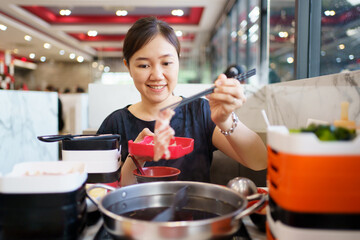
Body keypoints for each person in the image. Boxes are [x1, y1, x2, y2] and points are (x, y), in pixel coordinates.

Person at [97, 16, 267, 186]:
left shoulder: (200, 112)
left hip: (197, 210)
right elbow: (103, 191)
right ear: (128, 67)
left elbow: (259, 161)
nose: (156, 75)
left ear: (178, 62)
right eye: (144, 65)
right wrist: (136, 157)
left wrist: (225, 120)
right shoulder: (115, 124)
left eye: (166, 63)